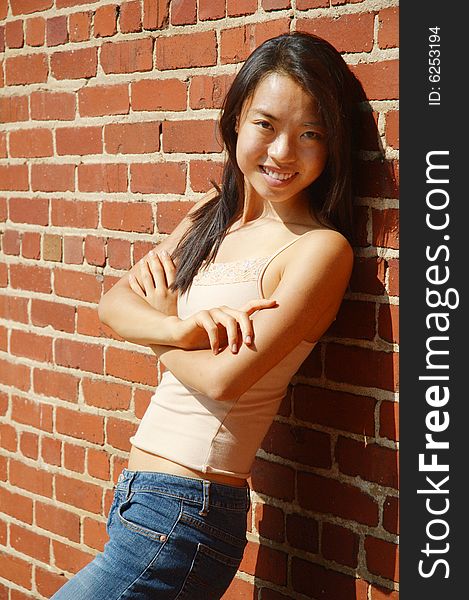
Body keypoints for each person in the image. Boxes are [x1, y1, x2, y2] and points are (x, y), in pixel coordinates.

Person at [51, 31, 359, 599]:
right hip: (140, 498)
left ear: (333, 143)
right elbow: (113, 304)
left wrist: (160, 334)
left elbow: (224, 379)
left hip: (186, 515)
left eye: (310, 133)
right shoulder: (207, 218)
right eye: (266, 124)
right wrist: (177, 329)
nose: (283, 152)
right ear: (237, 118)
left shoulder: (319, 250)